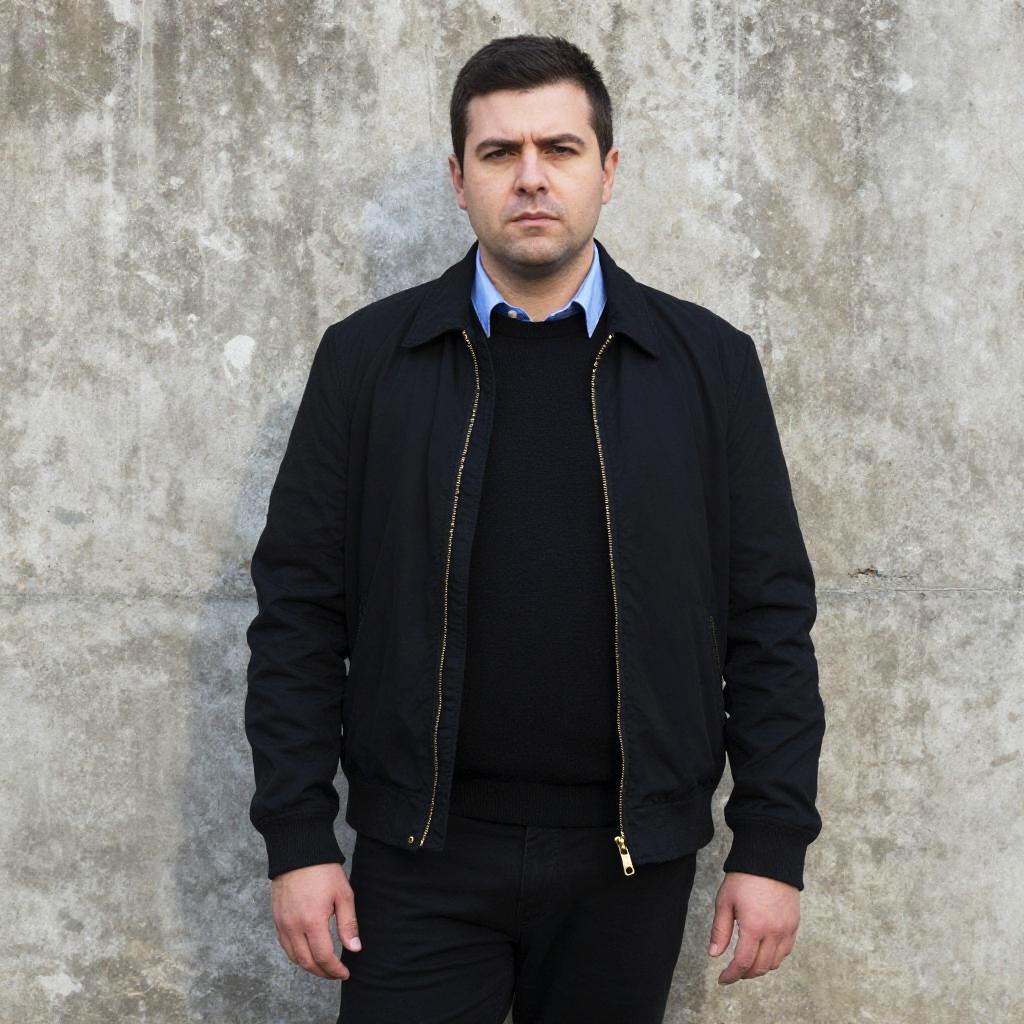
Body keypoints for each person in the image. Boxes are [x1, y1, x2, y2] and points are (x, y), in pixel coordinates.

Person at [244, 33, 826, 1024]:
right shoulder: (369, 362)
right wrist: (299, 838)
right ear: (458, 178)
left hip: (627, 860)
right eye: (497, 153)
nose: (529, 178)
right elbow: (300, 614)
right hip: (420, 854)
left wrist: (770, 844)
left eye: (558, 150)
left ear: (606, 171)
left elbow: (766, 618)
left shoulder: (705, 365)